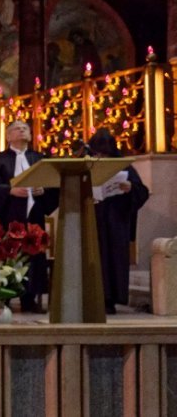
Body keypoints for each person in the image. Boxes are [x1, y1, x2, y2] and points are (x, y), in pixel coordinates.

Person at [0, 121, 58, 312]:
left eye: (25, 128)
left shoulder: (40, 159)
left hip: (33, 217)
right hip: (7, 217)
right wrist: (10, 191)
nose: (22, 130)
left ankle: (29, 299)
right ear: (7, 136)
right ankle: (3, 297)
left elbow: (54, 184)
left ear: (31, 135)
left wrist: (43, 190)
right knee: (6, 255)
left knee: (32, 256)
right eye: (17, 128)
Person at [88, 128, 150, 314]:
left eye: (105, 153)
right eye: (98, 153)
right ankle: (93, 298)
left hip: (116, 219)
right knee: (95, 258)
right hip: (92, 218)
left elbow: (142, 191)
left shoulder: (124, 166)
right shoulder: (87, 164)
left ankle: (111, 299)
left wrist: (130, 187)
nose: (101, 157)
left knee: (114, 258)